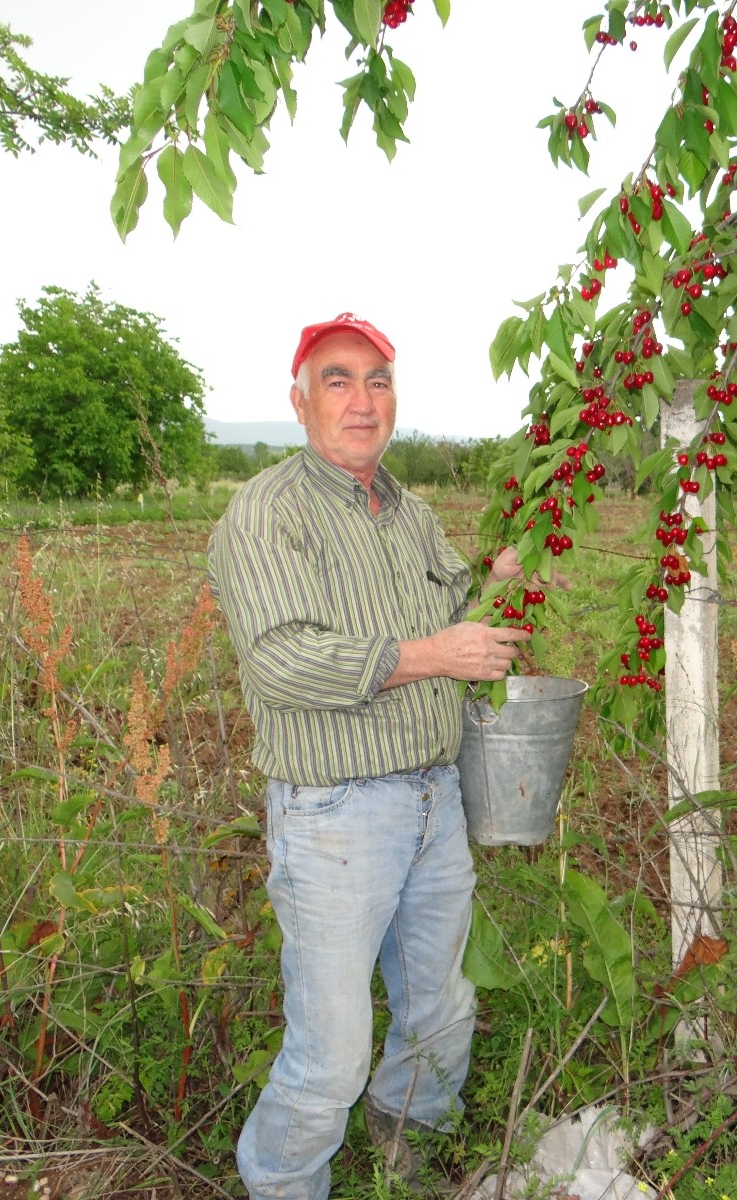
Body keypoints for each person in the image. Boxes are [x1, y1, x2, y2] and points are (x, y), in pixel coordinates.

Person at [208, 313, 530, 1199]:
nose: (362, 399)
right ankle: (282, 1185)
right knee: (331, 1052)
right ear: (299, 399)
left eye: (378, 379)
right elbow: (280, 660)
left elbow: (441, 603)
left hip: (434, 798)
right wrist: (433, 655)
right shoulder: (269, 511)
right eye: (339, 379)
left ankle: (408, 1157)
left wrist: (489, 583)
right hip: (335, 815)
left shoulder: (410, 512)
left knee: (442, 1008)